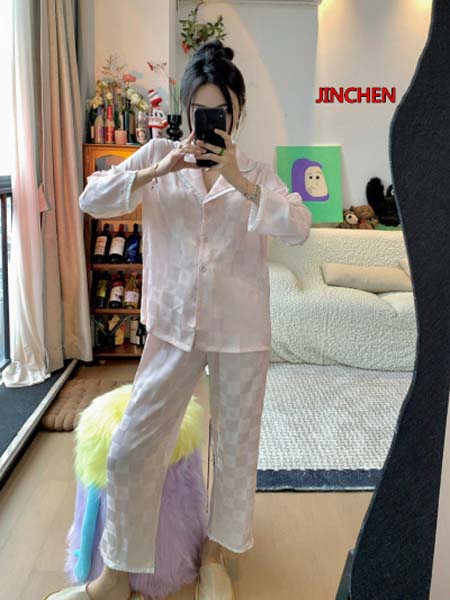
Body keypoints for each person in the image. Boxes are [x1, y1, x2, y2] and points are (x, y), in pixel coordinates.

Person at [45, 39, 312, 600]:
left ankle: (216, 555)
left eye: (221, 113)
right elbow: (91, 198)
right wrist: (157, 168)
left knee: (236, 446)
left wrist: (239, 180)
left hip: (240, 329)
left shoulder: (255, 172)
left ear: (238, 114)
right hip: (172, 325)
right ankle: (115, 578)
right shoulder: (157, 157)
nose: (209, 123)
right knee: (133, 445)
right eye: (199, 112)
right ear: (184, 110)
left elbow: (298, 227)